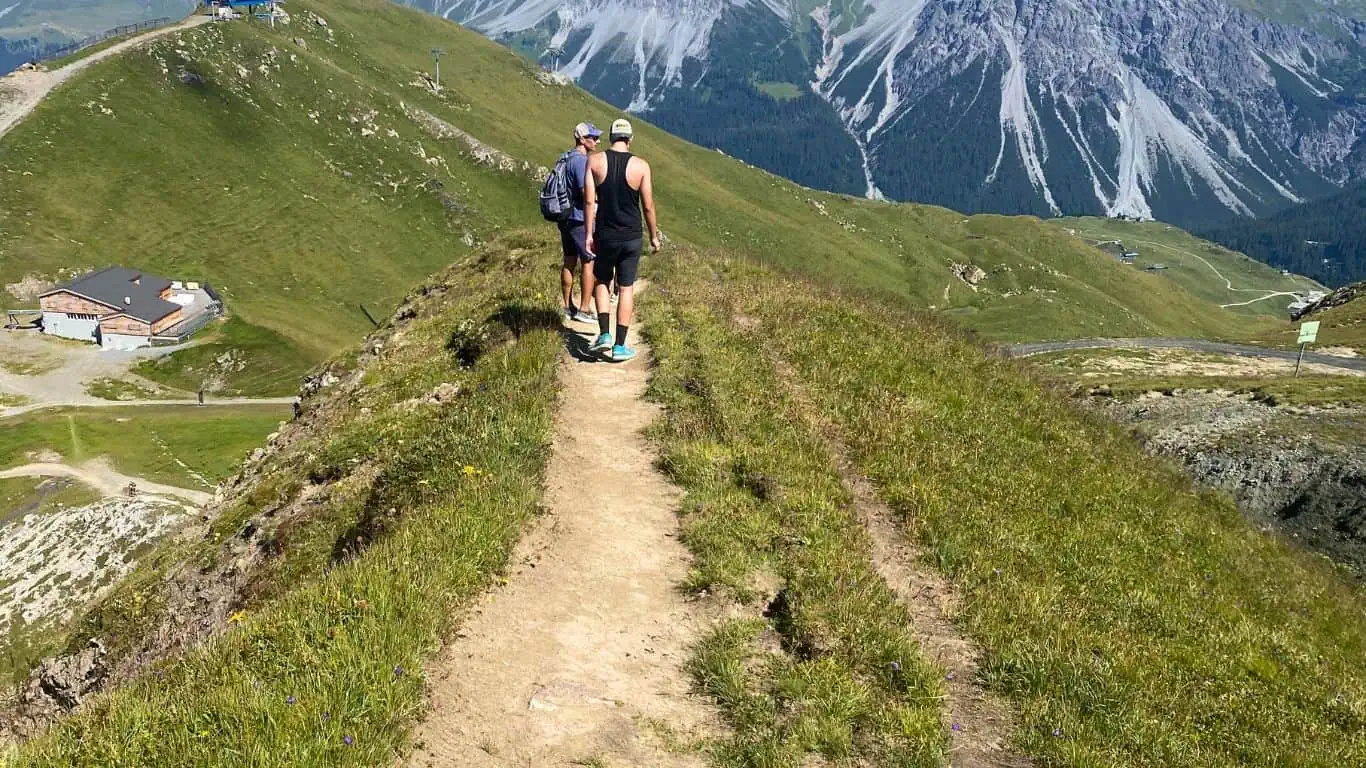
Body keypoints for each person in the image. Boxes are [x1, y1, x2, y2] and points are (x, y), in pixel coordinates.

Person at [584, 118, 661, 362]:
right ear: (630, 139)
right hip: (631, 235)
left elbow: (588, 201)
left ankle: (604, 334)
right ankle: (620, 346)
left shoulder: (594, 161)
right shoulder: (641, 166)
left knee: (601, 281)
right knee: (626, 287)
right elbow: (648, 206)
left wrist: (588, 235)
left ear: (610, 137)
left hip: (605, 234)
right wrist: (654, 236)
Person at [560, 122, 602, 323]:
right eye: (593, 137)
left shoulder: (566, 157)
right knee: (589, 260)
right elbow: (586, 192)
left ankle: (567, 307)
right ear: (582, 139)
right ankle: (585, 309)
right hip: (579, 217)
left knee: (569, 260)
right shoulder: (581, 161)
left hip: (565, 217)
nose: (597, 141)